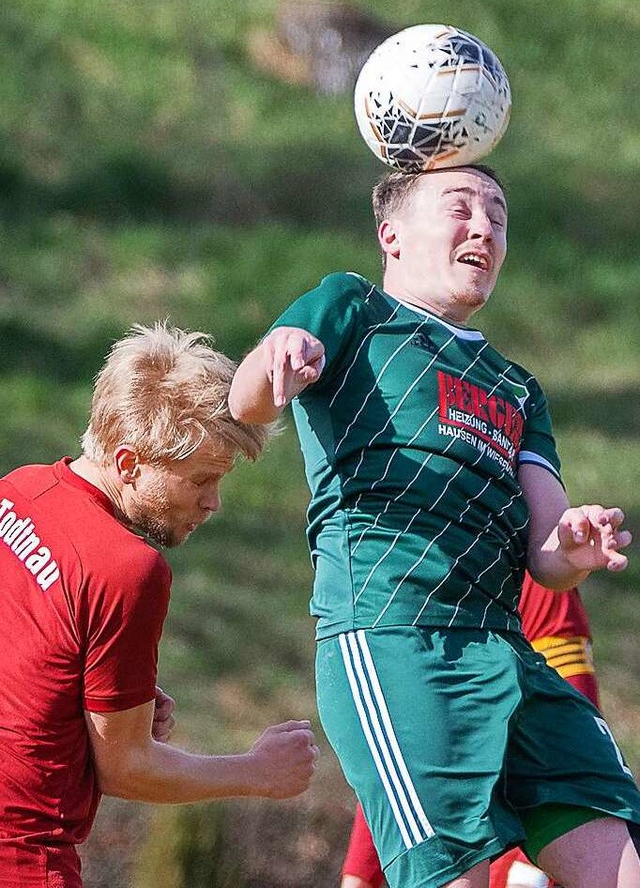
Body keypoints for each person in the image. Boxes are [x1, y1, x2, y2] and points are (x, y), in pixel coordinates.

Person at [228, 164, 640, 888]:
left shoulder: (516, 386)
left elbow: (549, 557)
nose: (484, 226)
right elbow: (247, 399)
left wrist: (573, 544)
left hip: (505, 649)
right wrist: (279, 358)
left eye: (498, 215)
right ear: (391, 234)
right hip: (395, 641)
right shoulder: (352, 307)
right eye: (461, 208)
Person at [0, 323, 318, 888]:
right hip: (24, 857)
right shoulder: (129, 569)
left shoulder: (19, 490)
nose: (213, 503)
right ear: (129, 464)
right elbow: (127, 769)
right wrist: (257, 772)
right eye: (200, 480)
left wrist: (107, 700)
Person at [340, 576, 601, 888]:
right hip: (447, 842)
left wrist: (527, 875)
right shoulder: (397, 577)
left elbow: (567, 737)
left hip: (520, 845)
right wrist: (360, 875)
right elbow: (401, 756)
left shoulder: (532, 568)